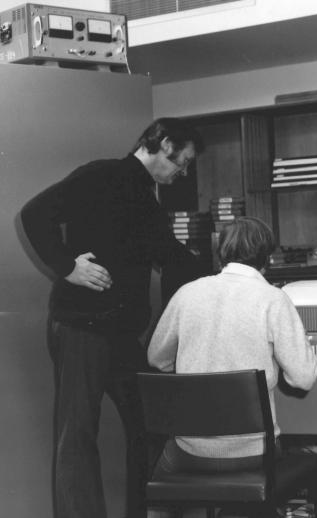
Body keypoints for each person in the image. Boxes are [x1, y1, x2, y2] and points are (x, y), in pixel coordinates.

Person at [20, 118, 207, 518]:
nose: (183, 172)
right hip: (81, 327)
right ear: (164, 143)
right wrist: (66, 266)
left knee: (151, 424)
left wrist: (232, 277)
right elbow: (34, 214)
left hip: (120, 334)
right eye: (183, 162)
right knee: (78, 437)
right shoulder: (101, 175)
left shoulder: (146, 198)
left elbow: (171, 256)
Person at [147, 216, 317, 472]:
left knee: (160, 489)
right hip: (255, 453)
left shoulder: (187, 293)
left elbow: (156, 358)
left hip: (190, 451)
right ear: (267, 257)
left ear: (221, 253)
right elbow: (302, 378)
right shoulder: (273, 299)